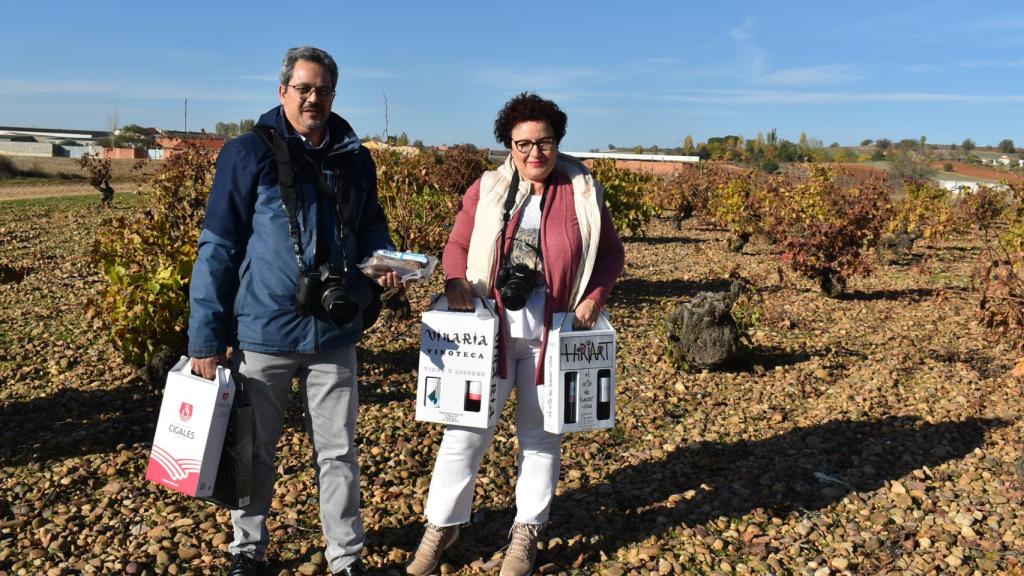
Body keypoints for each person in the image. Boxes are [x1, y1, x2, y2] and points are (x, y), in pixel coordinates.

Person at [188, 46, 401, 576]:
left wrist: (384, 262)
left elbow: (371, 225)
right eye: (303, 88)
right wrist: (206, 339)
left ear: (333, 95)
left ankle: (345, 557)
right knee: (253, 449)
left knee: (339, 451)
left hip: (334, 330)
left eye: (323, 90)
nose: (313, 99)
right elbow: (218, 248)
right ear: (282, 91)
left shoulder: (355, 157)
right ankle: (247, 549)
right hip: (264, 330)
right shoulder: (247, 154)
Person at [406, 93, 625, 576]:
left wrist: (595, 297)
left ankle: (527, 531)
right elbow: (458, 243)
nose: (534, 153)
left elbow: (611, 252)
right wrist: (456, 281)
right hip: (488, 332)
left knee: (542, 435)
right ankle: (441, 525)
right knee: (464, 432)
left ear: (558, 141)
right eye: (522, 144)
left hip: (555, 332)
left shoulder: (583, 191)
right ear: (509, 144)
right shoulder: (488, 188)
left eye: (544, 142)